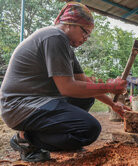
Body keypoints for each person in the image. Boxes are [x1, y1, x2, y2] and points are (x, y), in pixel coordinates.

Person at [0, 2, 131, 162]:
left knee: (87, 96)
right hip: (19, 106)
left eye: (88, 35)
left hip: (38, 102)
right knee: (89, 129)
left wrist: (112, 104)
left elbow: (84, 81)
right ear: (71, 24)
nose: (85, 39)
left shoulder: (65, 45)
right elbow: (67, 88)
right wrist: (111, 86)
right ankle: (26, 139)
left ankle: (42, 137)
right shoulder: (55, 37)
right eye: (85, 32)